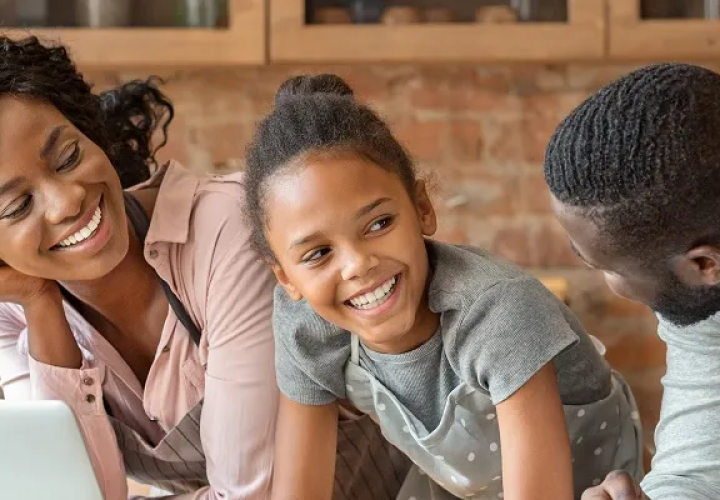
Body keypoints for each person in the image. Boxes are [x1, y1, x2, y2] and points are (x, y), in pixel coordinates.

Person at [243, 73, 644, 500]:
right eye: (318, 253)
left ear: (422, 209)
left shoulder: (497, 310)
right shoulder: (306, 327)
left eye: (378, 224)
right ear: (285, 277)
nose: (358, 265)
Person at [0, 35, 280, 499]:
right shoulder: (15, 315)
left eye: (69, 157)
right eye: (16, 206)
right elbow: (74, 491)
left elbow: (252, 492)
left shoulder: (225, 231)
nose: (68, 200)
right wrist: (41, 303)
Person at [543, 62, 720, 499]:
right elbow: (699, 462)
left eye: (609, 267)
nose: (609, 285)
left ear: (704, 266)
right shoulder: (704, 309)